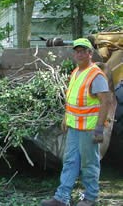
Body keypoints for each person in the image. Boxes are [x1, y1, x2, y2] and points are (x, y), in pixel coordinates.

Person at [41, 38, 110, 206]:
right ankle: (61, 198)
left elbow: (105, 102)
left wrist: (99, 129)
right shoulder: (75, 72)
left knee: (89, 164)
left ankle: (91, 197)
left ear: (90, 53)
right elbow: (72, 100)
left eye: (83, 51)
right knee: (70, 162)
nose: (79, 54)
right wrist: (66, 117)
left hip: (89, 129)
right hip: (74, 127)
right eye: (77, 51)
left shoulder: (96, 75)